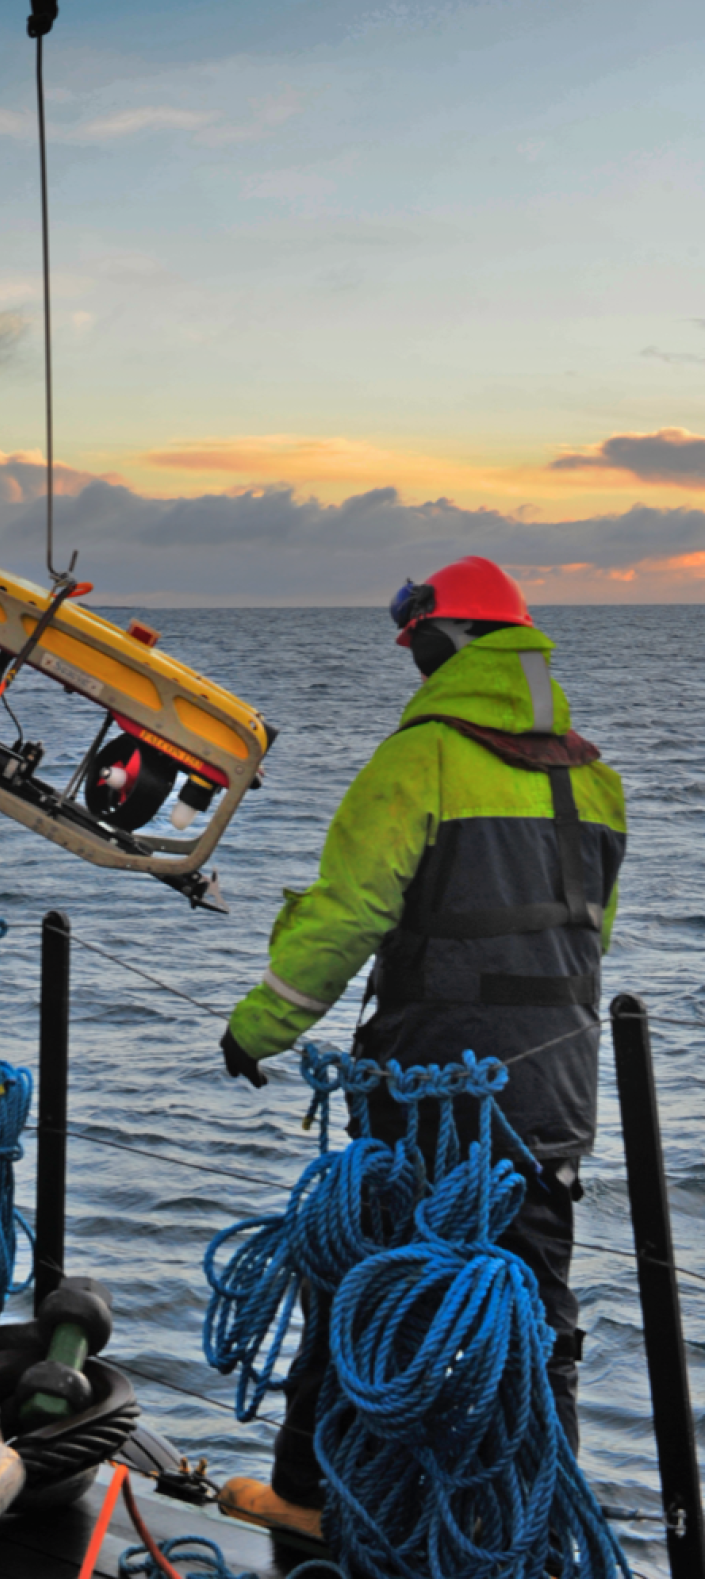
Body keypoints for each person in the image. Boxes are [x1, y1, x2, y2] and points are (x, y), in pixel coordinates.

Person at [215, 556, 626, 1537]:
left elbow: (347, 916)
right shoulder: (596, 776)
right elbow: (588, 936)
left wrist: (258, 1027)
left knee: (360, 1276)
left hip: (431, 1087)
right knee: (529, 1310)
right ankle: (539, 1526)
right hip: (555, 1095)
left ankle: (315, 1500)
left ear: (443, 649)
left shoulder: (418, 760)